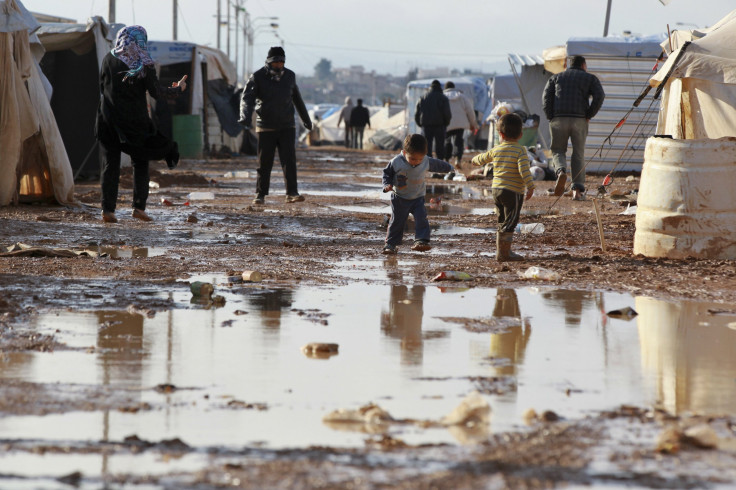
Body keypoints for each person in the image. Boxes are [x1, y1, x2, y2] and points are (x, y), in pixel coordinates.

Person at [96, 25, 187, 223]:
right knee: (140, 162)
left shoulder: (108, 58)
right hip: (133, 121)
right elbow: (157, 93)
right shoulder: (143, 62)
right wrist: (178, 89)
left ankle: (107, 210)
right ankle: (138, 207)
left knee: (110, 165)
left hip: (107, 119)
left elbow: (102, 87)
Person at [238, 46, 313, 204]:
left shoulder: (290, 76)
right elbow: (247, 98)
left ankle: (292, 193)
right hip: (266, 126)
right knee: (264, 163)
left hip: (287, 125)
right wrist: (245, 116)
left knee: (289, 161)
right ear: (269, 62)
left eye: (281, 62)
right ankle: (260, 194)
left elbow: (297, 99)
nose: (279, 65)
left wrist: (306, 119)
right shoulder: (258, 77)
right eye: (276, 62)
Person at [471, 113, 535, 262]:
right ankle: (504, 253)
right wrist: (530, 186)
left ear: (500, 134)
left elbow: (480, 159)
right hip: (513, 192)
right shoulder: (521, 151)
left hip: (496, 191)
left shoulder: (496, 149)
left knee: (502, 220)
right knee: (511, 221)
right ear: (520, 135)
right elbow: (524, 170)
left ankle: (502, 251)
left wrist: (473, 161)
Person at [542, 55, 605, 201]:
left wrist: (551, 116)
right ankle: (577, 191)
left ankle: (561, 171)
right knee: (578, 153)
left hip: (559, 118)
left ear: (568, 65)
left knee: (558, 150)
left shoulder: (556, 78)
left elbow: (546, 98)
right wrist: (589, 114)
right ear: (584, 65)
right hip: (579, 120)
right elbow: (600, 96)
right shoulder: (590, 78)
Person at [381, 134, 454, 254]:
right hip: (400, 197)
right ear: (404, 153)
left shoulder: (425, 161)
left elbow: (437, 164)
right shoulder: (396, 162)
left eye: (420, 159)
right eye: (413, 159)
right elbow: (386, 174)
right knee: (397, 221)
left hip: (418, 197)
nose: (416, 162)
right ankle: (390, 244)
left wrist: (449, 167)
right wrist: (386, 185)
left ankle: (421, 241)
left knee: (421, 219)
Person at [443, 81, 477, 167]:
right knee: (458, 141)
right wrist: (473, 124)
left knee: (447, 141)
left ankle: (447, 160)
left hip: (446, 123)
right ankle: (458, 160)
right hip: (460, 123)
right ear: (454, 87)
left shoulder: (442, 97)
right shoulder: (462, 97)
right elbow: (470, 111)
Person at [414, 79, 451, 160]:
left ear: (430, 87)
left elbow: (417, 113)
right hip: (440, 125)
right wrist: (446, 123)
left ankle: (428, 163)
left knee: (427, 146)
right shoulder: (443, 98)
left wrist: (420, 124)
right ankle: (440, 163)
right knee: (440, 146)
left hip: (426, 126)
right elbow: (447, 113)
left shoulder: (423, 97)